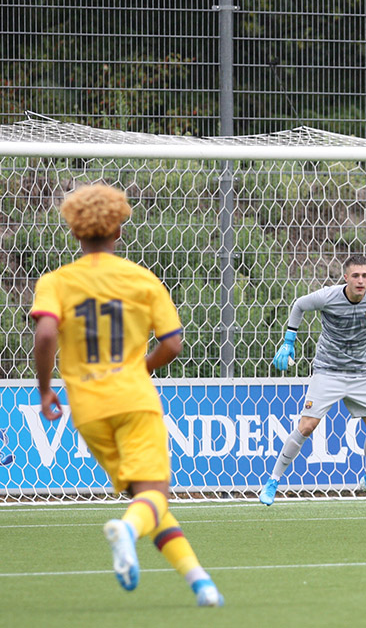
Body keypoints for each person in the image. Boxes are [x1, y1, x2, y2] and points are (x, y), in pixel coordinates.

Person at [30, 184, 223, 607]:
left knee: (146, 498)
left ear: (75, 232)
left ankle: (200, 582)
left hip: (86, 408)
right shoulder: (142, 279)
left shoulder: (57, 281)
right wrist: (141, 368)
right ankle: (126, 531)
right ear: (119, 229)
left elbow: (45, 332)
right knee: (155, 495)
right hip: (134, 400)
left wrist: (45, 391)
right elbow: (172, 344)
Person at [258, 255, 366, 508]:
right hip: (327, 371)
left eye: (365, 276)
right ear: (346, 277)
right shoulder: (328, 297)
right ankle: (273, 481)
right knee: (307, 426)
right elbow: (299, 304)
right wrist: (289, 340)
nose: (361, 281)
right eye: (355, 276)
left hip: (359, 374)